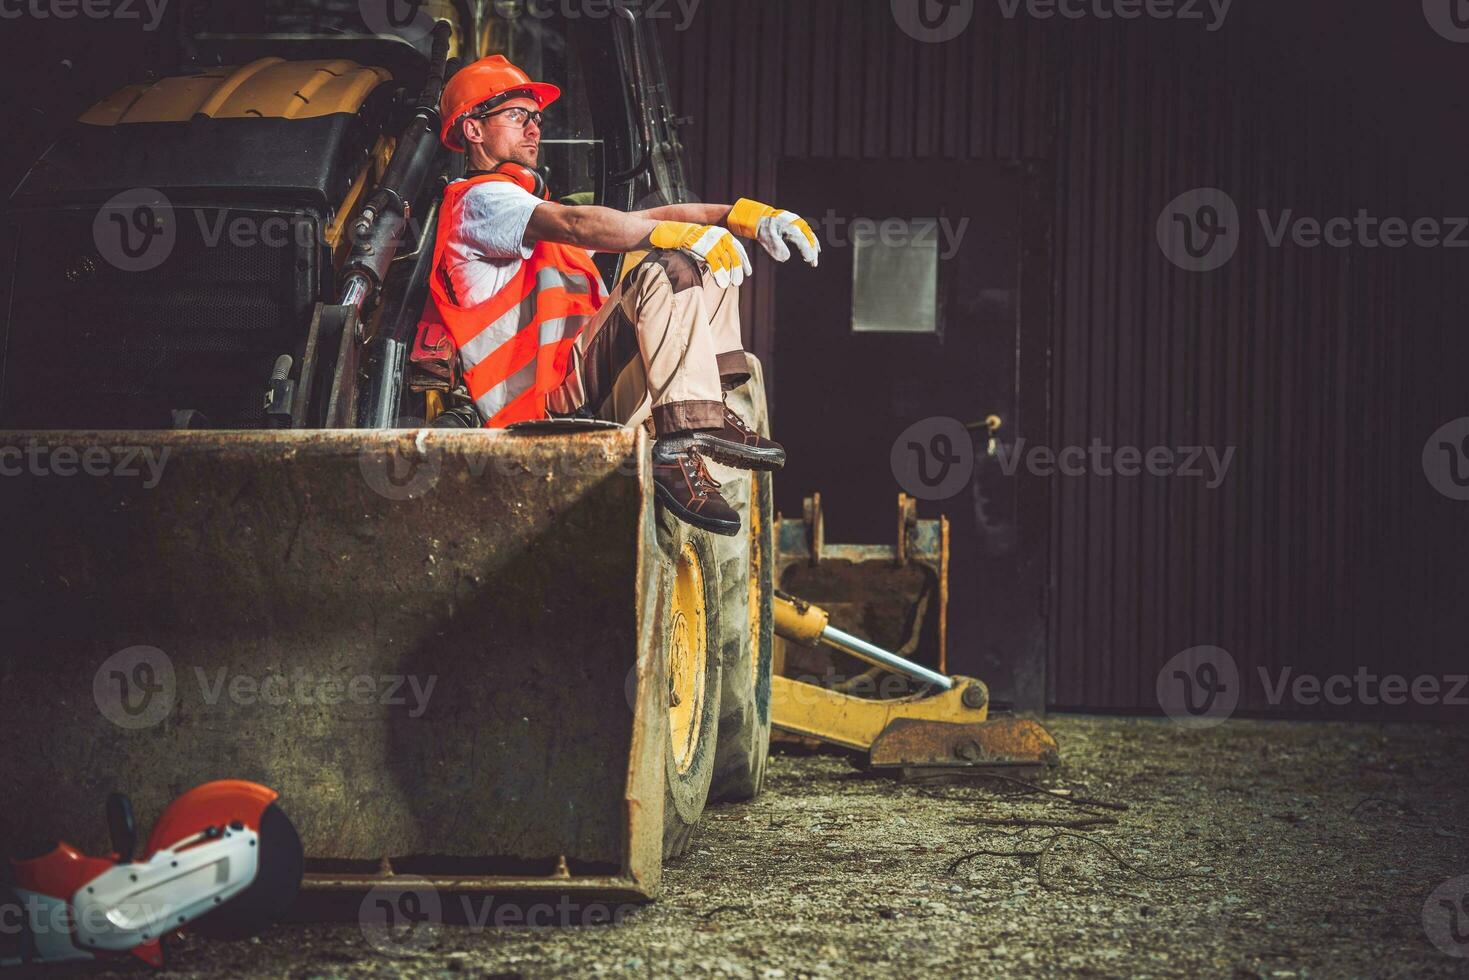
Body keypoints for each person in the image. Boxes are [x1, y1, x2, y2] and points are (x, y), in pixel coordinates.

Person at [417, 56, 821, 536]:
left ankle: (705, 413)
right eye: (516, 116)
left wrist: (741, 216)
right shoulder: (480, 202)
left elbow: (651, 217)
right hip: (540, 409)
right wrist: (677, 235)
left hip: (581, 391)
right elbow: (580, 224)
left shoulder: (527, 210)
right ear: (473, 130)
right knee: (668, 267)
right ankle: (679, 444)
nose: (534, 129)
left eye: (537, 118)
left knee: (712, 258)